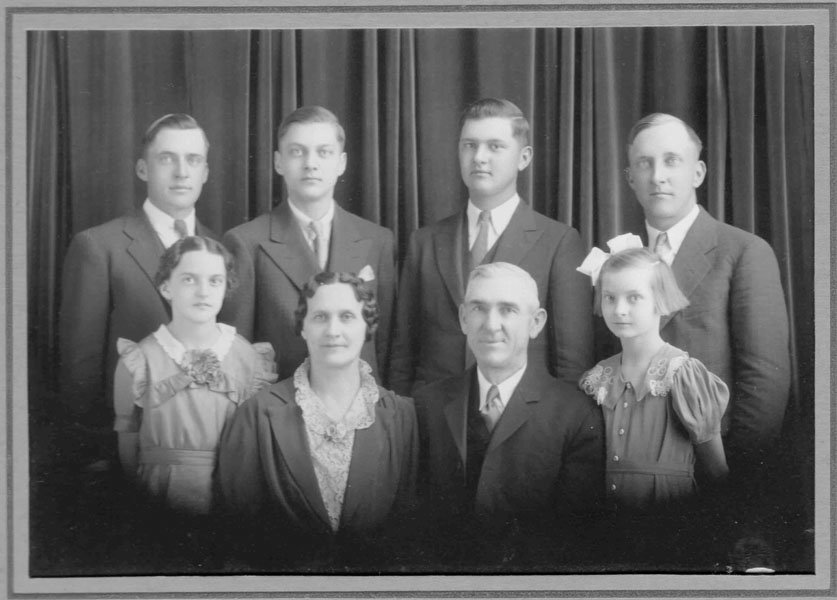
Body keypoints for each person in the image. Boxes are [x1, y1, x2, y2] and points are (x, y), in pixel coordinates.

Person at [624, 113, 792, 570]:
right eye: (644, 163)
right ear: (630, 178)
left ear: (697, 172)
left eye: (671, 161)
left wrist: (730, 484)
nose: (658, 175)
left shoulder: (741, 251)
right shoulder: (620, 258)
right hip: (633, 481)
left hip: (717, 480)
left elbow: (766, 383)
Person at [216, 272, 418, 572]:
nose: (333, 330)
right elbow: (236, 533)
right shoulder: (257, 414)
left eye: (347, 316)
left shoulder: (402, 417)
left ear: (368, 327)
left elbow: (407, 533)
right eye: (320, 316)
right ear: (303, 328)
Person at [390, 97, 592, 396]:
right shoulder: (425, 242)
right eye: (469, 145)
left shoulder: (558, 242)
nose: (479, 157)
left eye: (495, 146)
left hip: (524, 423)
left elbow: (571, 363)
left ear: (524, 158)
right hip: (434, 421)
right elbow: (403, 357)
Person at [413, 262, 603, 570]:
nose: (490, 324)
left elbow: (573, 537)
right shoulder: (426, 405)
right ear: (463, 318)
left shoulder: (576, 415)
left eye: (508, 310)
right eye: (478, 308)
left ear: (536, 322)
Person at [59, 113, 217, 471]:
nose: (181, 171)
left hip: (206, 456)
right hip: (124, 456)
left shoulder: (222, 249)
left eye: (193, 160)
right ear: (143, 169)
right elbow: (79, 370)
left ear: (205, 173)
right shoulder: (99, 246)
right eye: (167, 158)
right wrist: (99, 455)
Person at [577, 240, 729, 568]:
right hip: (607, 525)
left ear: (660, 301)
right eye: (610, 298)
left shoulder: (682, 373)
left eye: (634, 298)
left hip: (670, 521)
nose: (619, 310)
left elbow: (717, 471)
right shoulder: (598, 376)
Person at [220, 106, 396, 384]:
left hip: (361, 407)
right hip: (281, 412)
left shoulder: (378, 240)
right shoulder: (246, 242)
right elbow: (238, 354)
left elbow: (387, 346)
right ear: (279, 162)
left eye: (323, 152)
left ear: (342, 163)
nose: (310, 163)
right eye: (297, 151)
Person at [114, 236, 277, 515]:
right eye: (189, 279)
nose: (203, 292)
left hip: (229, 495)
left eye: (215, 281)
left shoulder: (249, 359)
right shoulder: (139, 359)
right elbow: (128, 442)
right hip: (159, 495)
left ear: (226, 288)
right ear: (166, 287)